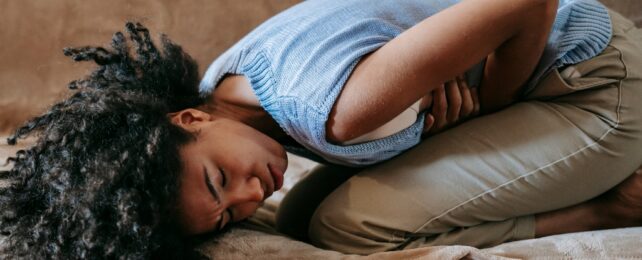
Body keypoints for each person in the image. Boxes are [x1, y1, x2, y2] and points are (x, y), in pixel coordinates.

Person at [0, 0, 640, 258]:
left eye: (219, 179)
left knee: (345, 226)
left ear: (188, 120)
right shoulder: (229, 84)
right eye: (228, 216)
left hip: (597, 87)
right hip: (576, 64)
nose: (253, 198)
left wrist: (487, 107)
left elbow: (525, 2)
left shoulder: (337, 110)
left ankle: (611, 207)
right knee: (305, 212)